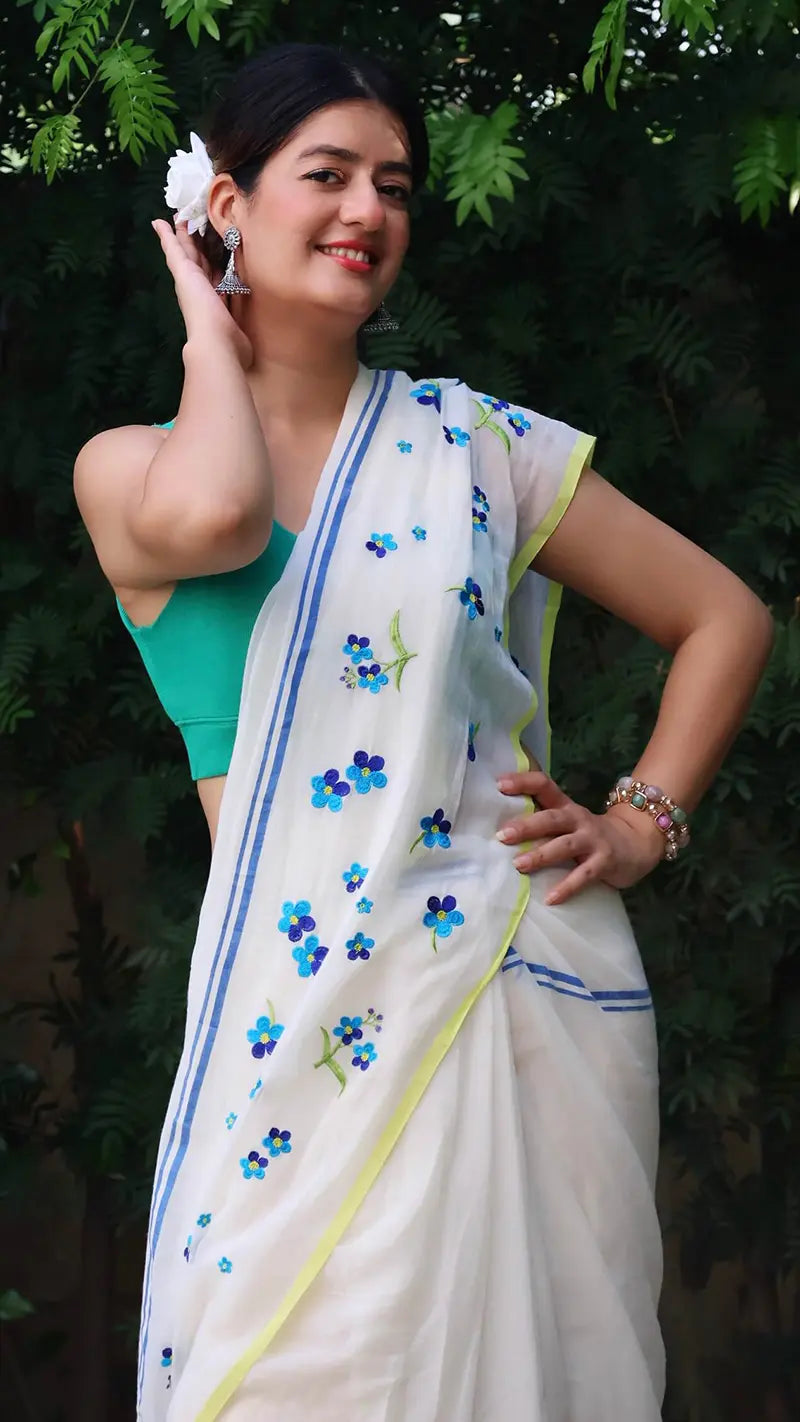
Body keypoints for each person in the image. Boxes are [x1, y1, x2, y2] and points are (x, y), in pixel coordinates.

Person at [73, 41, 773, 1422]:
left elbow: (726, 618)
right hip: (299, 1030)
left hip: (505, 994)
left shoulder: (477, 451)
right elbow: (221, 512)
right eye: (327, 175)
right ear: (226, 204)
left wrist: (641, 824)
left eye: (394, 186)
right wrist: (209, 327)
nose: (368, 212)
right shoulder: (129, 467)